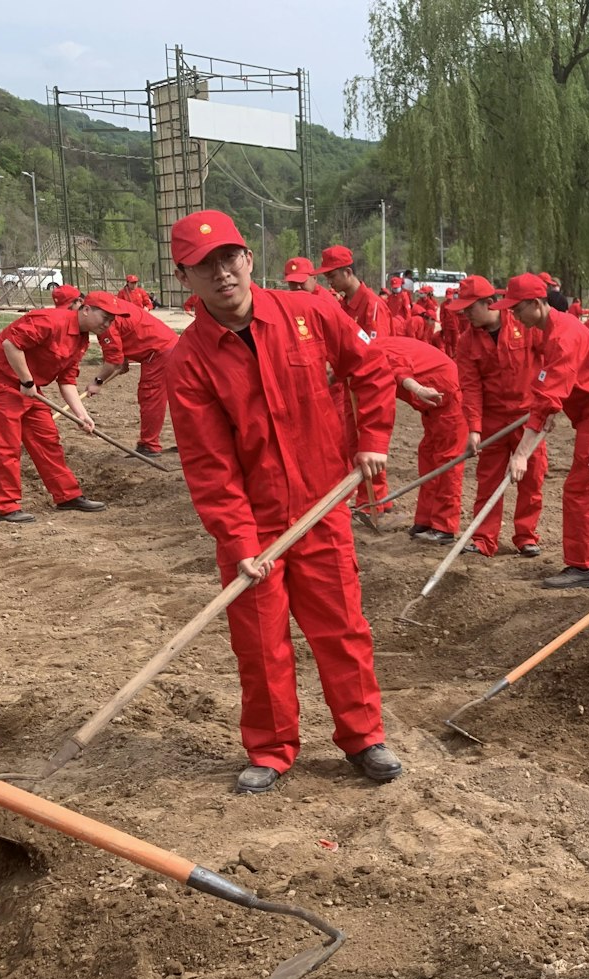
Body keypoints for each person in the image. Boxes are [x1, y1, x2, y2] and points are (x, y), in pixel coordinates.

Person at [166, 209, 401, 794]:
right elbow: (209, 464)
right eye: (204, 266)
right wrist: (240, 542)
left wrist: (372, 440)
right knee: (260, 641)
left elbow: (371, 368)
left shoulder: (309, 313)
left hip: (323, 505)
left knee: (342, 627)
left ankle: (363, 737)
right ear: (183, 277)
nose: (222, 273)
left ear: (248, 258)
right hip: (255, 523)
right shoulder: (188, 360)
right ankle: (271, 749)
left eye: (229, 258)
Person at [500, 273, 589, 588]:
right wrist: (551, 408)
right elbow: (554, 387)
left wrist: (522, 453)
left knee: (583, 489)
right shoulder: (554, 330)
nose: (514, 316)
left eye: (517, 309)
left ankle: (581, 567)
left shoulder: (562, 335)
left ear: (536, 304)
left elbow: (547, 398)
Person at [0, 292, 123, 522]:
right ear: (86, 309)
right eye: (105, 317)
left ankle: (67, 496)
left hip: (27, 387)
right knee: (6, 445)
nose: (107, 324)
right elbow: (11, 344)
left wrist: (82, 415)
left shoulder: (81, 341)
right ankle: (5, 506)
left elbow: (67, 380)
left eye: (111, 320)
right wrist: (27, 381)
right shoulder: (50, 320)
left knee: (47, 439)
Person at [452, 275, 547, 557]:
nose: (466, 314)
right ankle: (484, 539)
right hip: (493, 420)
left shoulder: (524, 325)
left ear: (490, 303)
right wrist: (474, 428)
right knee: (489, 480)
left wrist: (546, 403)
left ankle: (526, 536)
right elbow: (470, 387)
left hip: (528, 417)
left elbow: (550, 359)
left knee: (532, 478)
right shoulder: (466, 342)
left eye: (471, 308)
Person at [318, 244, 394, 514]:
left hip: (369, 386)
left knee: (370, 441)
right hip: (350, 384)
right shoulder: (344, 306)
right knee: (354, 443)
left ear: (347, 273)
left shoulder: (373, 306)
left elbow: (378, 353)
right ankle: (366, 498)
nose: (329, 282)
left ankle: (376, 500)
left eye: (332, 276)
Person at [372, 335, 465, 543]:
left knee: (447, 463)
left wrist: (418, 389)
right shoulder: (371, 348)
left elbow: (400, 370)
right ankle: (425, 519)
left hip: (448, 399)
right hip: (433, 407)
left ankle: (444, 526)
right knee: (428, 458)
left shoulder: (376, 352)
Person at [84, 298, 180, 456]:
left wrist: (97, 382)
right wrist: (124, 360)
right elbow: (128, 333)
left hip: (159, 351)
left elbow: (113, 361)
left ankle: (149, 445)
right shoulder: (109, 308)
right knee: (179, 397)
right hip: (166, 345)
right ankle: (190, 441)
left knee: (150, 396)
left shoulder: (103, 323)